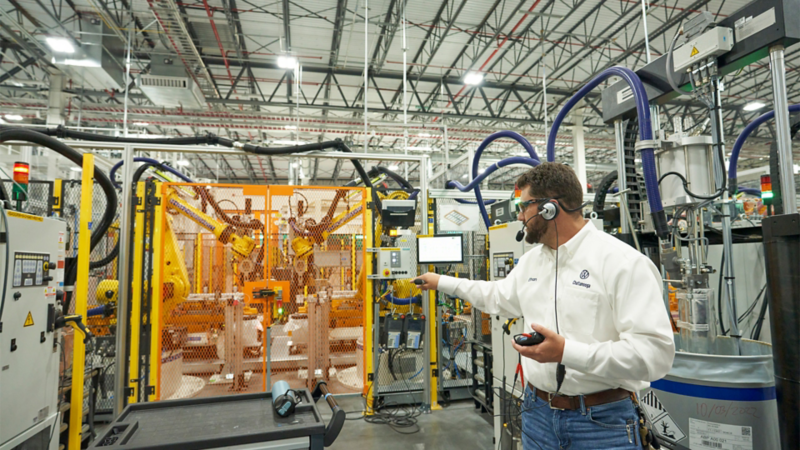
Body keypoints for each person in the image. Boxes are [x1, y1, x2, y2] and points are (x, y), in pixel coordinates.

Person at [415, 163, 675, 449]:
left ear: (549, 208)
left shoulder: (623, 263)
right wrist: (440, 281)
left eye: (524, 206)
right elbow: (497, 296)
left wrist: (566, 351)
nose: (519, 215)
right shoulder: (533, 261)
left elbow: (654, 356)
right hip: (537, 412)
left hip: (602, 422)